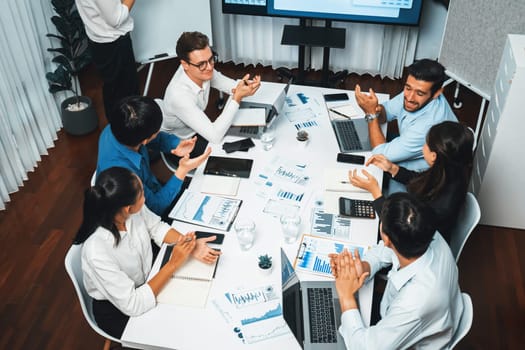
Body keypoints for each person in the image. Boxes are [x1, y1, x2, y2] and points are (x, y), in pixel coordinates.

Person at [74, 167, 221, 338]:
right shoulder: (96, 251)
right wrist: (173, 263)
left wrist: (190, 246)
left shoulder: (124, 209)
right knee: (184, 331)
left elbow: (156, 228)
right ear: (128, 208)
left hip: (148, 278)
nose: (145, 197)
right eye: (142, 193)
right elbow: (133, 304)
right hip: (119, 309)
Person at [330, 192, 464, 349]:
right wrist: (364, 267)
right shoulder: (423, 230)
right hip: (417, 317)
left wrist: (345, 296)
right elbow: (386, 251)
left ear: (385, 237)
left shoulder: (415, 303)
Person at [348, 121, 474, 243]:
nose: (423, 147)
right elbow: (422, 180)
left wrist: (375, 191)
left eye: (426, 144)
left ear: (433, 156)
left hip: (414, 242)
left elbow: (398, 227)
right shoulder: (452, 171)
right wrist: (392, 168)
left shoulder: (440, 206)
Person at [97, 95, 211, 217]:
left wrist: (176, 144)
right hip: (145, 213)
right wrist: (182, 171)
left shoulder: (116, 126)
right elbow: (157, 208)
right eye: (156, 132)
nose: (158, 133)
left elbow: (155, 138)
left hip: (153, 188)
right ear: (145, 140)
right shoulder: (125, 177)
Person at [159, 31, 261, 145]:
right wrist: (237, 96)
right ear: (185, 65)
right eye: (201, 64)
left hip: (199, 128)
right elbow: (215, 137)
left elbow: (232, 87)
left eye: (211, 59)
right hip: (182, 143)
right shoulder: (179, 96)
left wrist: (247, 86)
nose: (209, 67)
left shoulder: (201, 69)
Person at [355, 59, 458, 172]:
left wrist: (371, 114)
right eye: (408, 88)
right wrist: (376, 109)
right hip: (408, 142)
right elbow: (387, 112)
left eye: (420, 93)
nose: (409, 98)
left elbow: (379, 156)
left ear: (437, 93)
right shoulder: (416, 90)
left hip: (419, 175)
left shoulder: (427, 125)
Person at [76, 0, 140, 120]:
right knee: (126, 95)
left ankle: (118, 130)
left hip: (101, 40)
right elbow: (116, 19)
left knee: (113, 89)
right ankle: (127, 133)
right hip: (112, 43)